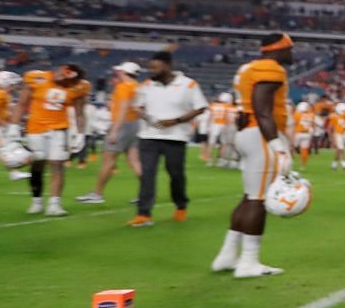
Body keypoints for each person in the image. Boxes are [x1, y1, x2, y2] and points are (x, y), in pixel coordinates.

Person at [210, 33, 294, 278]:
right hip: (261, 135)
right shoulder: (271, 68)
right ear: (278, 49)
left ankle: (227, 255)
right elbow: (262, 108)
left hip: (249, 133)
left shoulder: (250, 67)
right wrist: (277, 145)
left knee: (249, 197)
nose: (292, 53)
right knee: (259, 200)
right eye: (289, 49)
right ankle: (248, 262)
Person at [131, 51, 205, 227]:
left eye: (155, 67)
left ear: (168, 66)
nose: (152, 70)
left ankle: (180, 205)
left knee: (175, 174)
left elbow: (200, 107)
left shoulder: (188, 84)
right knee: (147, 174)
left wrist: (176, 121)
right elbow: (137, 106)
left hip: (176, 137)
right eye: (150, 67)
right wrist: (144, 115)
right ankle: (144, 213)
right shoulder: (147, 85)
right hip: (149, 136)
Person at [15, 63, 89, 215]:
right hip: (35, 129)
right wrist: (13, 126)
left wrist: (81, 133)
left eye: (66, 78)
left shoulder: (78, 87)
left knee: (57, 164)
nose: (61, 78)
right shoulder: (36, 77)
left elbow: (80, 113)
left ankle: (54, 204)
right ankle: (37, 200)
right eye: (62, 73)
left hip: (59, 129)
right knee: (38, 164)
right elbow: (22, 103)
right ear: (59, 68)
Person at [80, 62, 144, 204]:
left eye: (120, 71)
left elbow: (123, 109)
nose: (117, 73)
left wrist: (114, 130)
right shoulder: (138, 86)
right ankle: (145, 193)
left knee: (108, 162)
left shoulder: (123, 87)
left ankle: (97, 194)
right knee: (134, 162)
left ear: (124, 72)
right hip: (135, 125)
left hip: (122, 125)